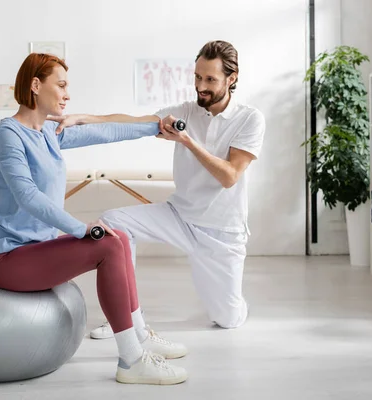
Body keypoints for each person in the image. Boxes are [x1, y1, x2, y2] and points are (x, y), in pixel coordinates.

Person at [0, 52, 188, 385]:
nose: (67, 93)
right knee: (109, 247)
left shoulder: (49, 132)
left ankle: (140, 336)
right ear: (35, 85)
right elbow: (27, 196)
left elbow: (105, 133)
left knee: (117, 237)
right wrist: (81, 227)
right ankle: (132, 361)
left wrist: (154, 128)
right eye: (60, 85)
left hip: (34, 249)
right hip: (5, 258)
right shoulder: (7, 135)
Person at [49, 40, 266, 339]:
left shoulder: (250, 119)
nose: (200, 86)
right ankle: (122, 316)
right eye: (197, 77)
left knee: (226, 319)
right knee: (115, 221)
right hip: (179, 216)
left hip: (221, 232)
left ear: (232, 79)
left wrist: (187, 141)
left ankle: (236, 305)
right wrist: (84, 118)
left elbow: (229, 176)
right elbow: (134, 121)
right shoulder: (185, 111)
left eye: (210, 80)